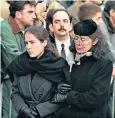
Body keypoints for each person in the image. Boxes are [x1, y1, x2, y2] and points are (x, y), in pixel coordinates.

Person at [7, 26, 71, 118]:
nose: (28, 47)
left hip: (48, 115)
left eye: (32, 42)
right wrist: (23, 109)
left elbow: (61, 96)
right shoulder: (20, 63)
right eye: (26, 43)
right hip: (24, 115)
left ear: (44, 42)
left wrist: (37, 111)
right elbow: (15, 92)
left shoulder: (58, 64)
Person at [58, 19, 113, 118]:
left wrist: (68, 96)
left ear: (95, 41)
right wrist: (58, 87)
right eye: (76, 38)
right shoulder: (69, 60)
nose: (78, 43)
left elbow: (94, 98)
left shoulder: (103, 64)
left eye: (83, 39)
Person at [1, 1, 36, 117]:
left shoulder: (28, 29)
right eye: (30, 12)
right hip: (7, 85)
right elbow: (14, 60)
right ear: (18, 14)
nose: (34, 16)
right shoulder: (4, 28)